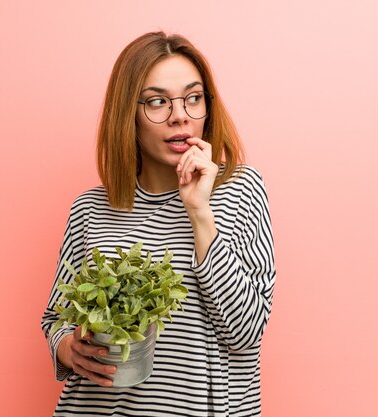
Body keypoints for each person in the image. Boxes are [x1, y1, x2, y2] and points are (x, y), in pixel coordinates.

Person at [41, 31, 276, 417]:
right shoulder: (90, 209)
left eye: (193, 98)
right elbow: (56, 319)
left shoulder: (240, 190)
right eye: (157, 102)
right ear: (127, 114)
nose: (180, 115)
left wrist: (199, 212)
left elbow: (246, 332)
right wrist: (69, 349)